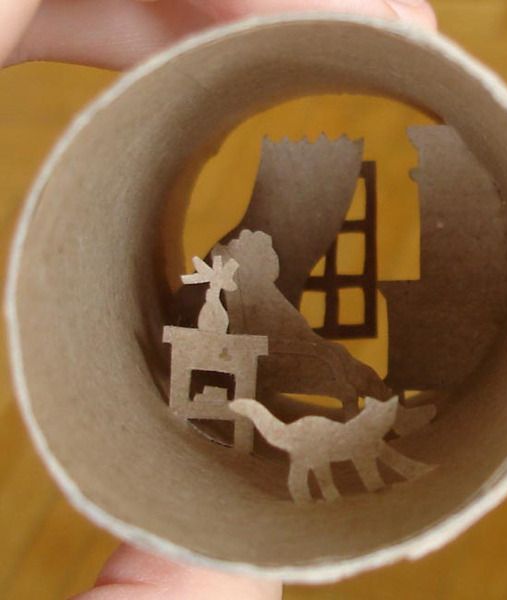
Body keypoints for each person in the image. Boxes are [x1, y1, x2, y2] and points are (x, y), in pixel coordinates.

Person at [0, 1, 436, 598]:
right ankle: (373, 409)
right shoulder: (239, 286)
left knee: (335, 369)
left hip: (263, 349)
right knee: (328, 368)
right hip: (237, 347)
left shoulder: (253, 288)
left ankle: (380, 410)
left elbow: (285, 333)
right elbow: (262, 329)